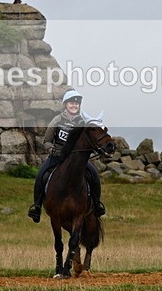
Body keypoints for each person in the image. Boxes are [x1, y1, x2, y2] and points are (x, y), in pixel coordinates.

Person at [27, 89, 106, 223]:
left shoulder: (83, 122)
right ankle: (37, 206)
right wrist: (52, 149)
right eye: (71, 103)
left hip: (77, 160)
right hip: (58, 156)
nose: (74, 106)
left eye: (76, 104)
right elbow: (47, 140)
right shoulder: (57, 120)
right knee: (41, 175)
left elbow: (90, 140)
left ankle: (97, 204)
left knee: (94, 175)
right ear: (65, 105)